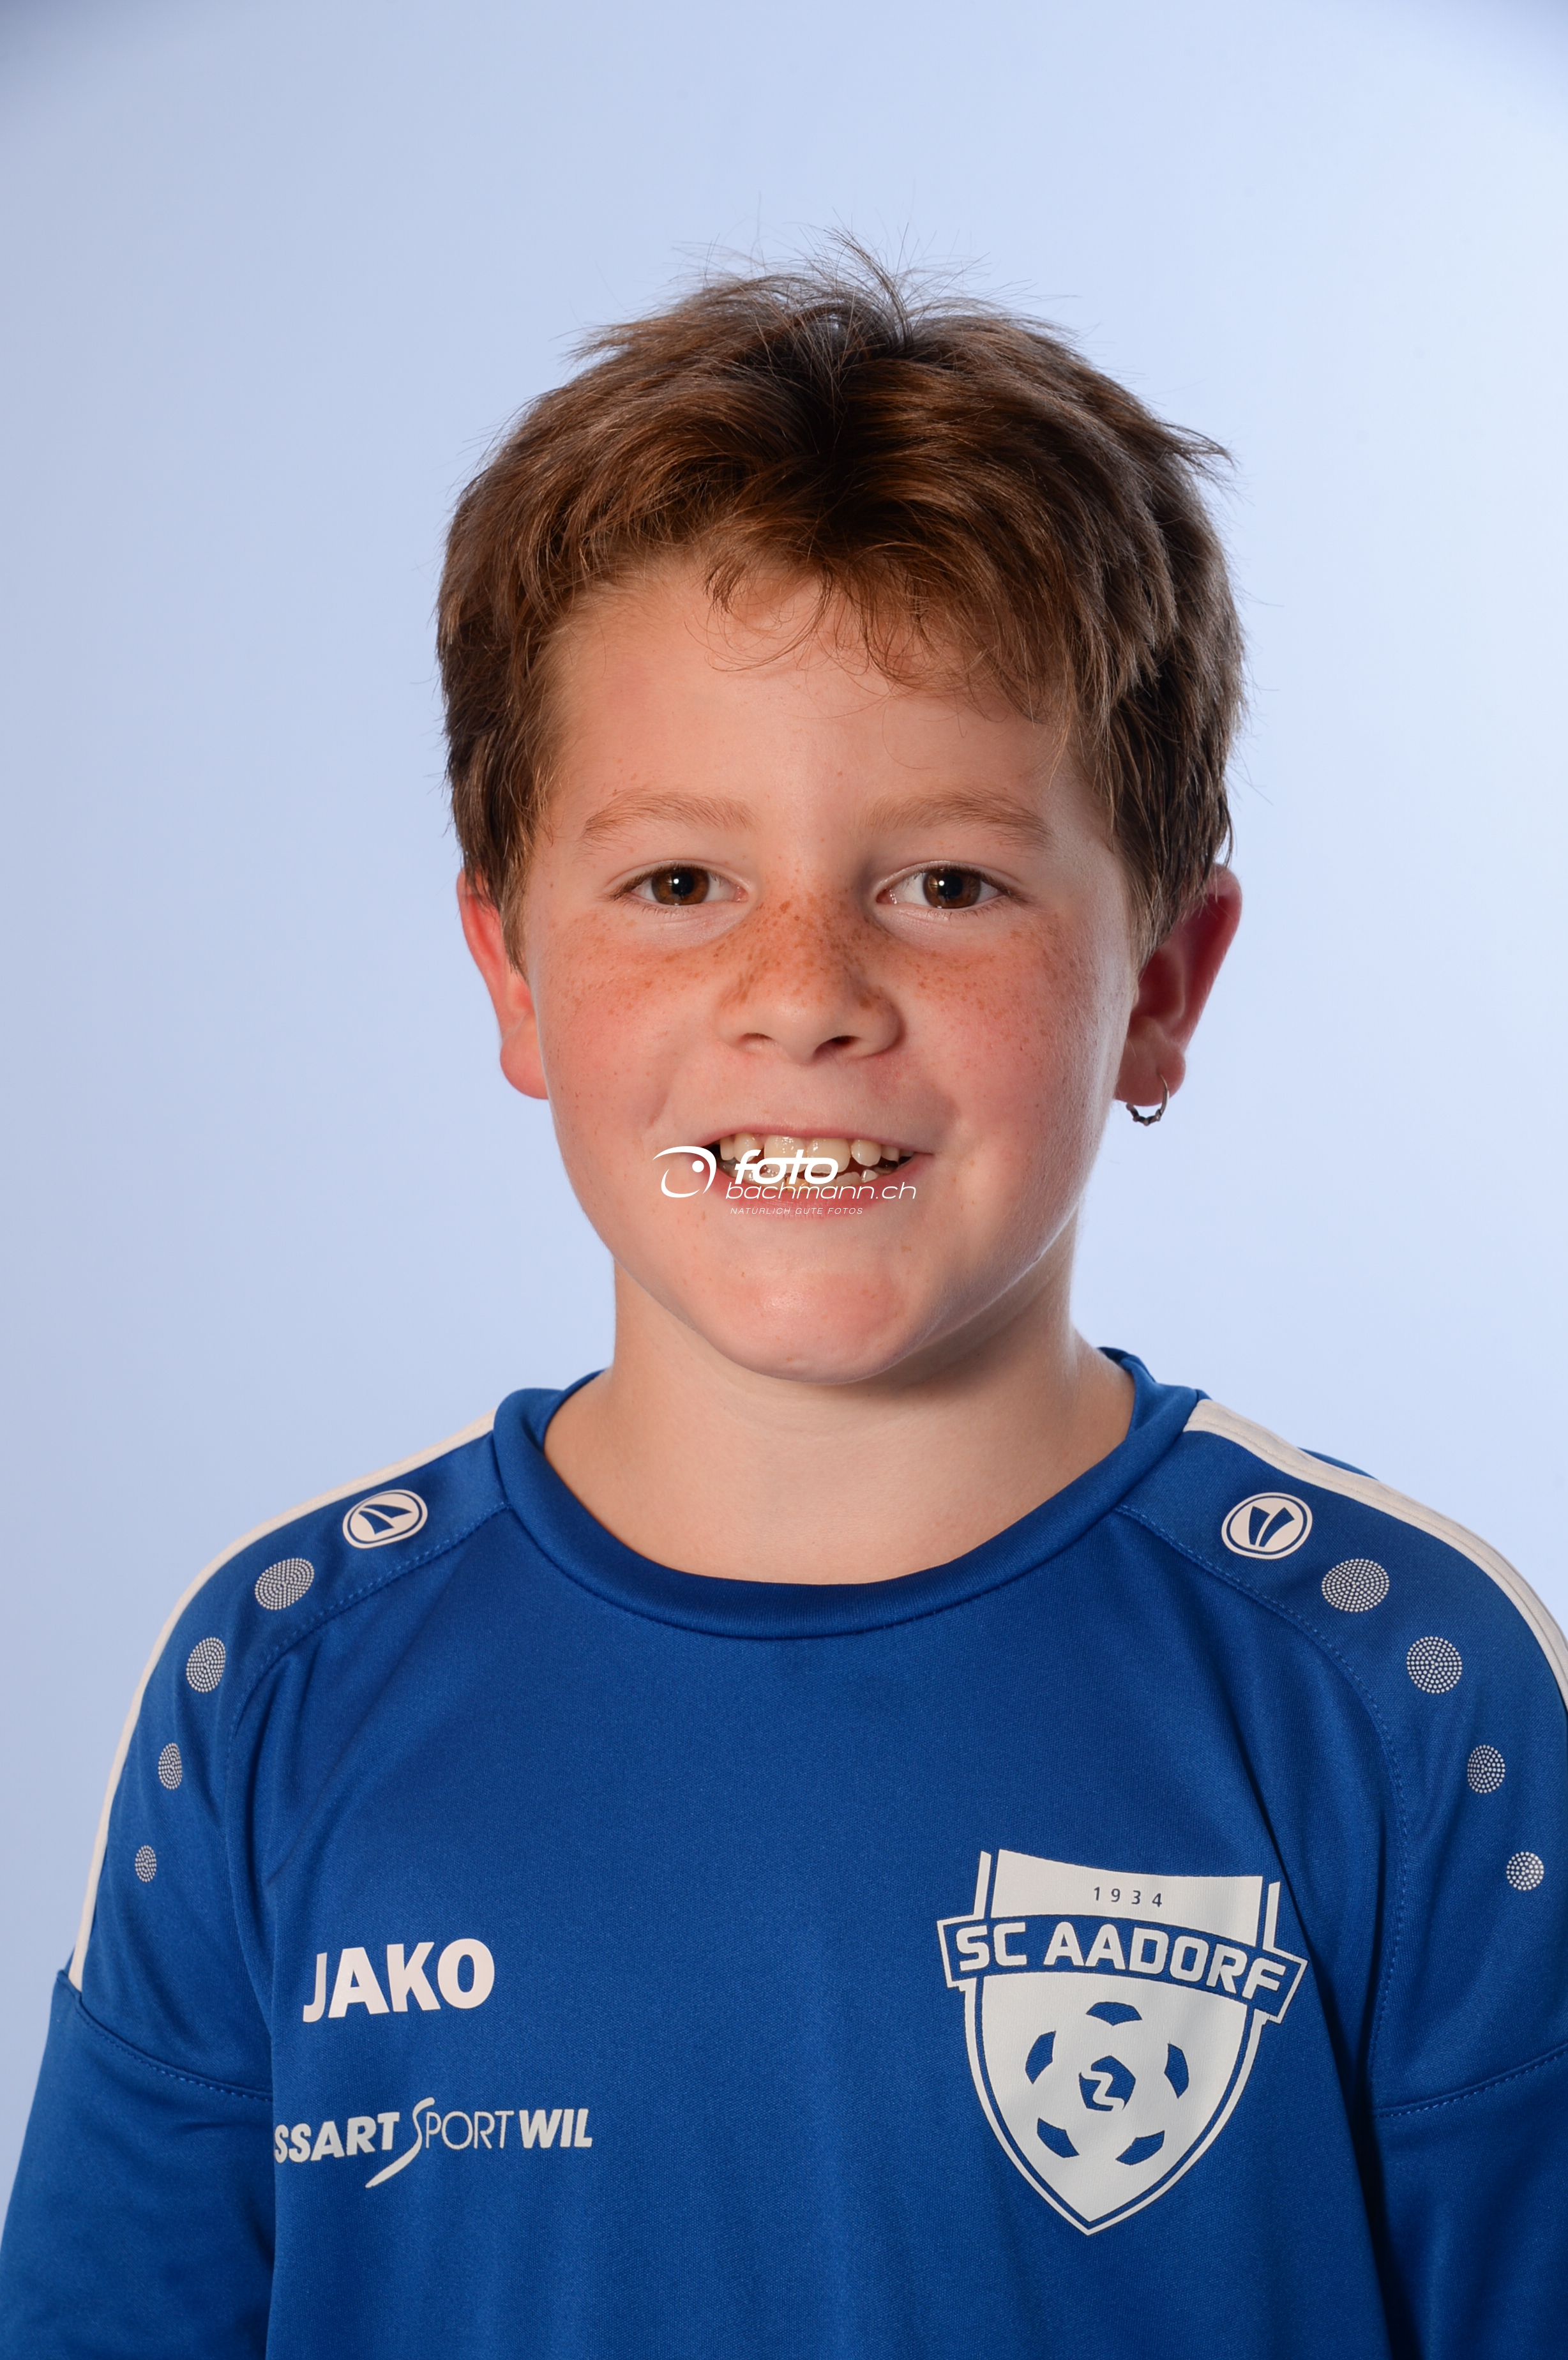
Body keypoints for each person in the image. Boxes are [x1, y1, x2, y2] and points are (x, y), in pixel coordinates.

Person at [1, 253, 1563, 2360]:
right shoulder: (277, 1681)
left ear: (1163, 985)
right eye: (680, 883)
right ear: (511, 975)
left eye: (948, 884)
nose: (805, 995)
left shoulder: (1405, 1692)